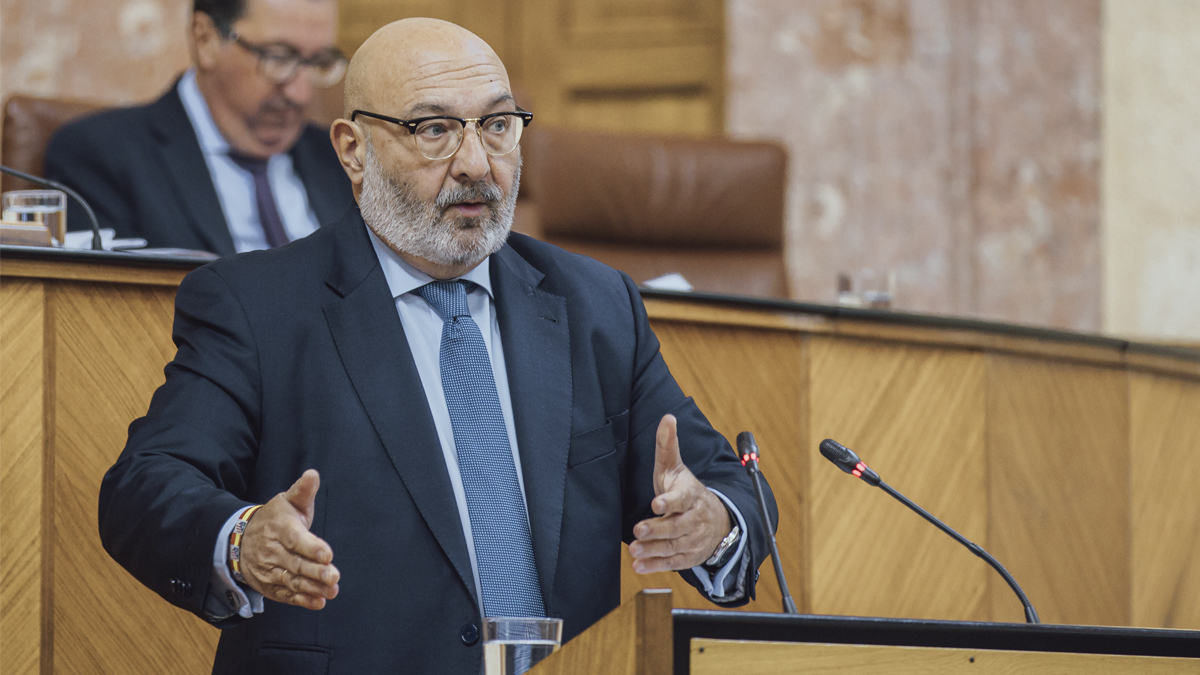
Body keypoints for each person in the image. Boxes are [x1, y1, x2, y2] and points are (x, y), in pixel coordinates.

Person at [98, 18, 777, 673]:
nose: (477, 164)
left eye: (499, 126)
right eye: (434, 131)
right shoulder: (258, 307)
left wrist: (712, 521)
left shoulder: (595, 305)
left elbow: (726, 483)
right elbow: (143, 486)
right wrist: (243, 540)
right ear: (353, 149)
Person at [43, 0, 353, 255]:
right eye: (278, 57)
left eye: (319, 62)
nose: (301, 93)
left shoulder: (343, 160)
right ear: (205, 39)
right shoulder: (100, 156)